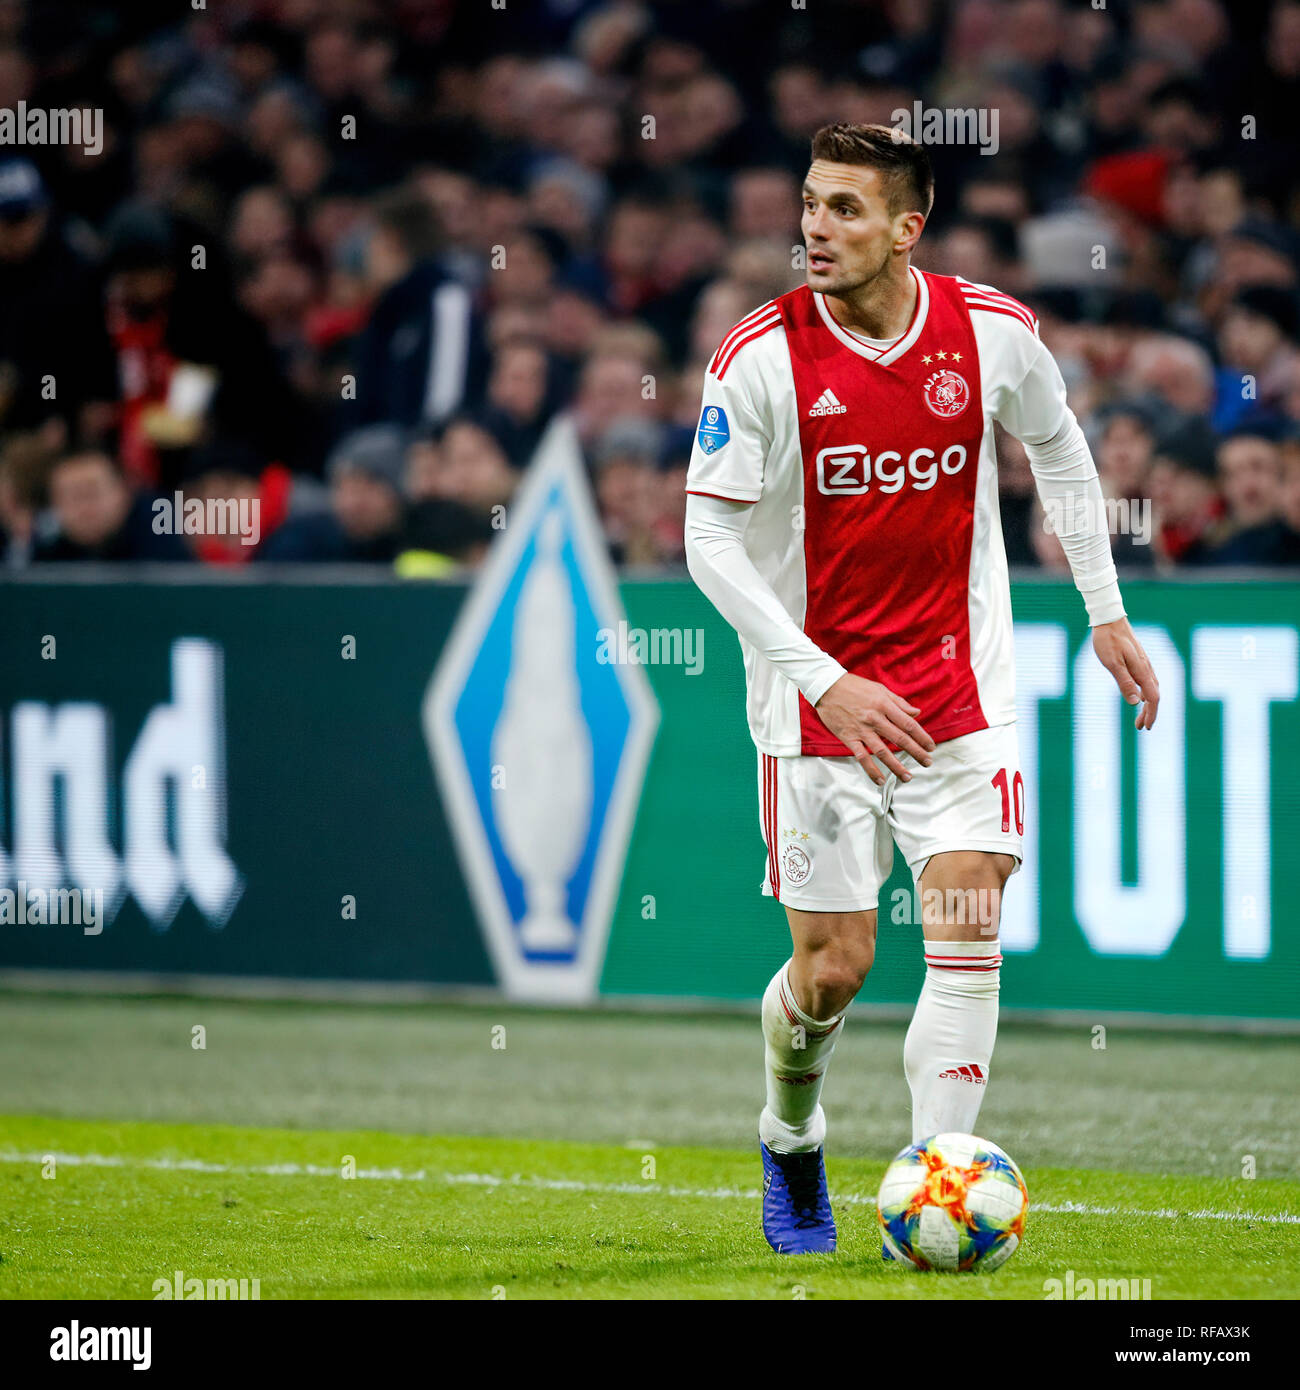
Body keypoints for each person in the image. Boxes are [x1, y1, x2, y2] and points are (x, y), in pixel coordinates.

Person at [683, 123, 1160, 1256]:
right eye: (809, 203)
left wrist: (1104, 609)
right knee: (832, 968)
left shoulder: (990, 333)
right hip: (814, 704)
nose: (814, 226)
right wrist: (826, 680)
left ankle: (935, 1179)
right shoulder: (757, 356)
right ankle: (788, 1136)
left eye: (845, 208)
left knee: (964, 915)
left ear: (908, 228)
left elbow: (1060, 450)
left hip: (959, 691)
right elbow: (707, 539)